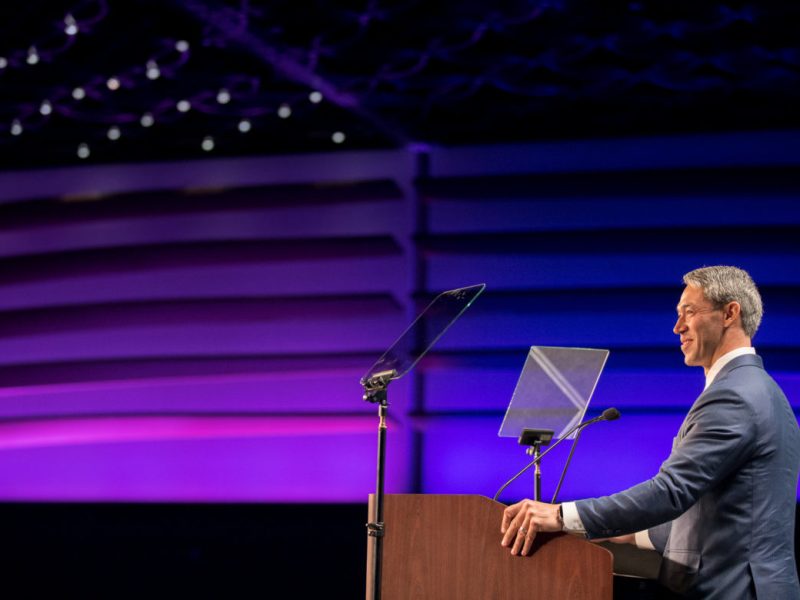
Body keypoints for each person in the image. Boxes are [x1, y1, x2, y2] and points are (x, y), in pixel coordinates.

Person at [500, 266, 800, 598]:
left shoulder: (734, 396)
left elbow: (672, 491)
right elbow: (718, 517)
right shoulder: (760, 390)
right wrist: (617, 533)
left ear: (730, 313)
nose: (678, 327)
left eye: (689, 312)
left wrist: (560, 515)